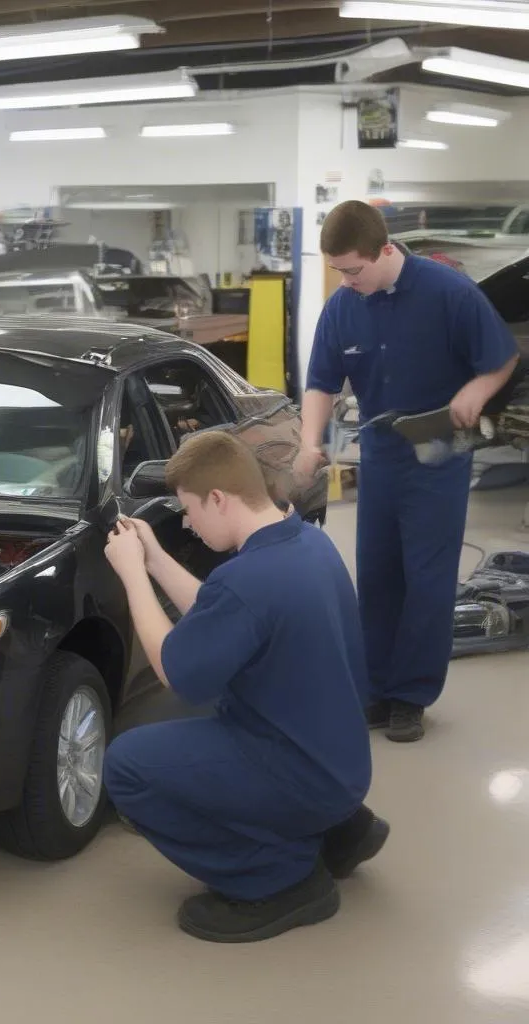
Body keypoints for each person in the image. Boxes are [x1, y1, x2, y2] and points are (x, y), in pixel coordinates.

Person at [103, 431, 386, 943]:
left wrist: (132, 577)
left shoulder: (249, 579)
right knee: (224, 699)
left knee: (128, 765)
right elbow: (224, 611)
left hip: (301, 773)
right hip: (341, 764)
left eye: (189, 509)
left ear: (218, 498)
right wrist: (154, 558)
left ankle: (279, 880)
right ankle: (340, 830)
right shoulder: (305, 542)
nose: (186, 522)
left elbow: (175, 668)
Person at [294, 201, 519, 743]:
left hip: (439, 453)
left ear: (385, 251)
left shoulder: (451, 293)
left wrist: (477, 389)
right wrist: (309, 442)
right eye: (338, 272)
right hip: (381, 455)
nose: (346, 282)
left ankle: (411, 696)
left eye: (353, 270)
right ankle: (375, 688)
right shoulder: (344, 306)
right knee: (376, 574)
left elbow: (503, 357)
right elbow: (322, 382)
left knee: (427, 579)